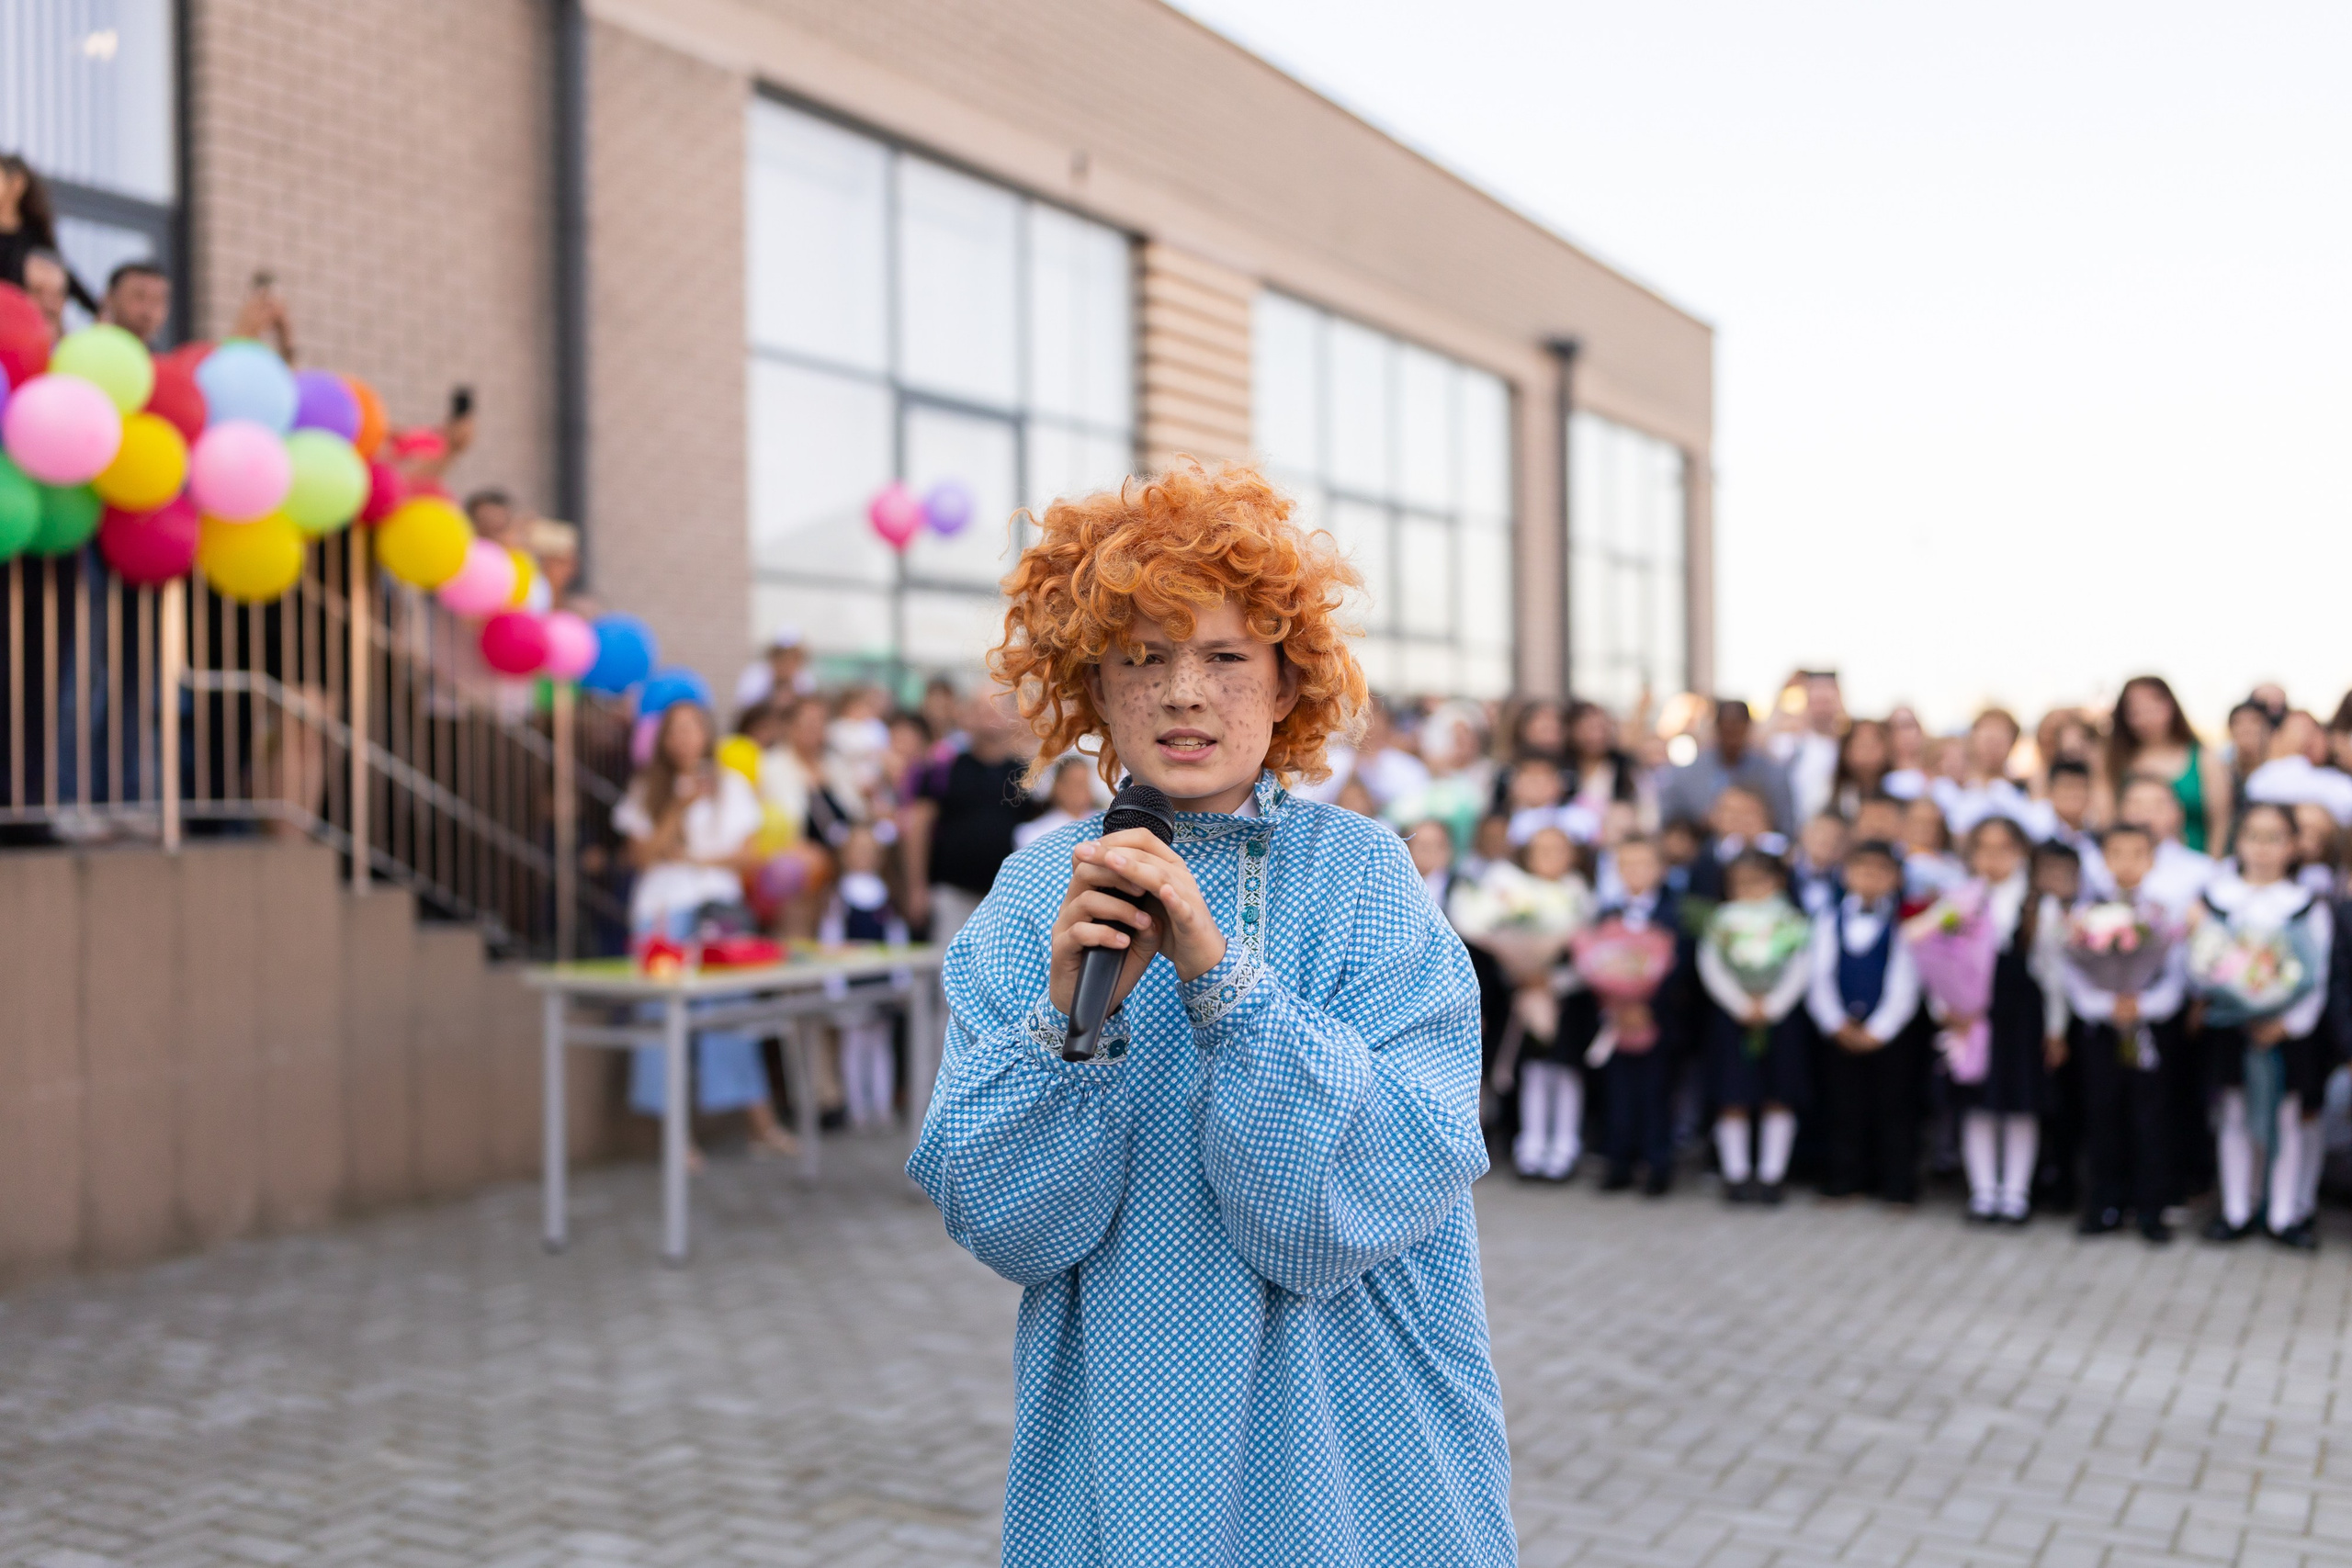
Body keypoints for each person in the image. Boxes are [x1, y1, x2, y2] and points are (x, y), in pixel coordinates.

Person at [908, 462, 1513, 1567]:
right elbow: (1000, 1218)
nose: (1185, 694)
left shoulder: (1365, 879)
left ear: (1288, 684)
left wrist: (1225, 986)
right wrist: (1064, 1033)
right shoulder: (1034, 898)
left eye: (1226, 657)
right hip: (1124, 1450)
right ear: (1093, 687)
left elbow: (1367, 1194)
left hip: (1351, 1448)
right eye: (1142, 659)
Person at [614, 700, 799, 1162]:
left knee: (731, 1012)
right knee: (661, 1018)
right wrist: (677, 808)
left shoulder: (732, 784)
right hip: (662, 910)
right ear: (662, 739)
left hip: (717, 910)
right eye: (674, 730)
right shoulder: (646, 788)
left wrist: (697, 860)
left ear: (706, 734)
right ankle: (674, 1137)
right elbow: (639, 857)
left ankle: (760, 1124)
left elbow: (750, 857)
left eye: (692, 729)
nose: (683, 739)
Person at [2195, 802, 2333, 1249]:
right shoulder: (2218, 899)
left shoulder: (2305, 905)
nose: (2263, 848)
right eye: (2253, 836)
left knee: (2288, 1116)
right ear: (2238, 841)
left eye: (2275, 838)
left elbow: (2318, 973)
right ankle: (2237, 1208)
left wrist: (2288, 1022)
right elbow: (2203, 960)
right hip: (2232, 1027)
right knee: (2234, 1113)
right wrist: (2232, 1000)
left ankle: (2283, 1212)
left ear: (2294, 847)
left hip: (2286, 1034)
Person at [2063, 823, 2185, 1244]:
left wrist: (2143, 1005)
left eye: (2137, 853)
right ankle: (2104, 1204)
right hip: (2102, 1028)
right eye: (2116, 853)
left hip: (2149, 1029)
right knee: (2102, 1113)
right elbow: (2073, 971)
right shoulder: (2085, 915)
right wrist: (2105, 1004)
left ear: (2152, 860)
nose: (2127, 863)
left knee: (2151, 1116)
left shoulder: (2162, 915)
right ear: (2103, 860)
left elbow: (2175, 974)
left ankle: (2151, 1208)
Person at [1456, 822, 1594, 1183]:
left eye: (1558, 850)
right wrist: (1520, 970)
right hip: (1522, 995)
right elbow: (1487, 932)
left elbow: (1591, 956)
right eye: (1541, 850)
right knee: (1531, 1070)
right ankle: (1531, 1144)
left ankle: (1564, 1144)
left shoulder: (1579, 894)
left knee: (1564, 1070)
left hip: (1566, 999)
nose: (1550, 858)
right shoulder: (1511, 889)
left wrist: (1552, 979)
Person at [1946, 817, 2061, 1226]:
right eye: (1984, 848)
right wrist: (1947, 1010)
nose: (1993, 858)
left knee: (2019, 1105)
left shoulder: (2035, 904)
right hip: (1973, 1017)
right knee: (1977, 1105)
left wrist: (2056, 1028)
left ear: (2020, 853)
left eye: (2003, 849)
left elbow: (2052, 973)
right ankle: (1982, 1191)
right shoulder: (1960, 900)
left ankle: (2015, 1193)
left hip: (2020, 1018)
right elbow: (1942, 961)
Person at [1810, 839, 1925, 1205]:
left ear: (1896, 878)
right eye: (1861, 870)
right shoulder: (1829, 919)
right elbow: (1819, 976)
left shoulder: (1905, 921)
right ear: (1845, 875)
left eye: (1880, 871)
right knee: (1844, 1107)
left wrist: (1880, 1029)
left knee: (1894, 1108)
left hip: (1890, 1034)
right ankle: (1845, 1178)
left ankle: (1896, 1184)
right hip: (1841, 1030)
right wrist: (1835, 1023)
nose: (1870, 878)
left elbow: (1905, 981)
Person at [1698, 852, 1815, 1202]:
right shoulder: (1722, 920)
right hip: (1734, 1018)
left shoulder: (1791, 920)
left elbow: (1801, 965)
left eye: (1758, 881)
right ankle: (1735, 1173)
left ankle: (1771, 1174)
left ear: (1777, 882)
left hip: (1780, 1019)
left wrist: (1773, 1004)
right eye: (1740, 883)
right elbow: (1711, 965)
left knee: (1778, 1094)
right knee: (1733, 1094)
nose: (1749, 889)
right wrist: (1741, 1003)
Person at [902, 691, 1039, 945]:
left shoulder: (1026, 775)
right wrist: (916, 888)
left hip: (1006, 899)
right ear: (967, 717)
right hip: (952, 891)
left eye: (995, 707)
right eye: (980, 708)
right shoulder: (945, 768)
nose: (988, 715)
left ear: (1011, 715)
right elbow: (918, 826)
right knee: (947, 972)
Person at [1594, 833, 1690, 1196]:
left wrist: (1647, 1003)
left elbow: (1682, 964)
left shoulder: (1675, 912)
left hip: (1659, 1018)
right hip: (1616, 1020)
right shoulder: (1607, 912)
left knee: (1657, 1093)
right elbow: (1596, 960)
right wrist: (1617, 1002)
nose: (1634, 872)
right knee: (1618, 1092)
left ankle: (1658, 1164)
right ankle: (1618, 1161)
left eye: (1643, 864)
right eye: (1627, 864)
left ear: (1661, 870)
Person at [817, 819, 912, 1134]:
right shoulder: (838, 897)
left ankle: (882, 1108)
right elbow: (830, 943)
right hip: (852, 986)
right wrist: (835, 986)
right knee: (854, 1045)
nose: (863, 856)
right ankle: (857, 1110)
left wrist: (901, 980)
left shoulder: (886, 895)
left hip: (881, 984)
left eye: (869, 850)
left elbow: (897, 941)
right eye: (856, 850)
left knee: (880, 1044)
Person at [2107, 675, 2229, 854]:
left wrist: (2213, 864)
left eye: (2153, 708)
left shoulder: (2203, 757)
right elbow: (2108, 819)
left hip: (2195, 861)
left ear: (2170, 706)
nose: (2146, 717)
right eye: (2135, 711)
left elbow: (2220, 821)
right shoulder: (2115, 760)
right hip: (2133, 871)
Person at [1657, 698, 1796, 834]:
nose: (1732, 739)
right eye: (1727, 730)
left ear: (1748, 728)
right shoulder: (1688, 774)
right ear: (1717, 728)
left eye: (1738, 730)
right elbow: (1673, 823)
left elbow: (1785, 825)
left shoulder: (1772, 773)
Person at [0, 153, 96, 310]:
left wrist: (97, 309)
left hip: (21, 320)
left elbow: (64, 276)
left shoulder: (34, 236)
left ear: (17, 183)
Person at [1772, 671, 1845, 825]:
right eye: (1817, 701)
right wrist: (1780, 694)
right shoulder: (1792, 743)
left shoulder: (1846, 746)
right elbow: (1758, 745)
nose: (1822, 709)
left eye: (1827, 702)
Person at [98, 260, 171, 345]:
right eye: (138, 296)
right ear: (110, 298)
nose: (147, 310)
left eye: (156, 300)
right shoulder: (88, 349)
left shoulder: (167, 357)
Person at [1834, 717, 1894, 818]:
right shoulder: (1838, 799)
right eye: (1861, 743)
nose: (1867, 750)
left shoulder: (1898, 790)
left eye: (1873, 742)